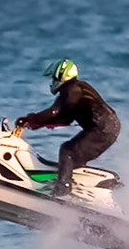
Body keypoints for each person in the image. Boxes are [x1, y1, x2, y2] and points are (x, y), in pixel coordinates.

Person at [15, 60, 120, 198]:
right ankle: (82, 191)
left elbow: (54, 112)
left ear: (61, 76)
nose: (52, 82)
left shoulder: (71, 89)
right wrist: (35, 124)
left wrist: (31, 119)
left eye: (54, 78)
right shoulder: (75, 92)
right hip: (107, 127)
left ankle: (63, 189)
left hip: (102, 128)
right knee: (74, 160)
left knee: (68, 151)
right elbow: (64, 119)